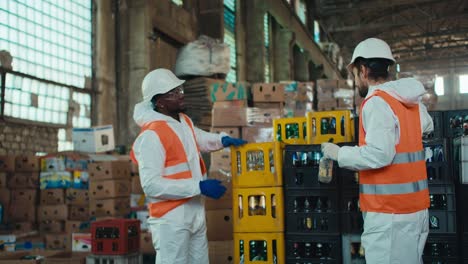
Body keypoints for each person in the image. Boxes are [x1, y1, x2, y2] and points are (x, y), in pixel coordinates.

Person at [321, 38, 434, 264]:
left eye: (354, 75)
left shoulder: (376, 102)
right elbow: (427, 126)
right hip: (415, 209)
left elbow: (379, 155)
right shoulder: (408, 102)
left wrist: (338, 153)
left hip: (390, 215)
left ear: (363, 70)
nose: (356, 80)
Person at [131, 68, 247, 264]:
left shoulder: (183, 121)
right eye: (173, 93)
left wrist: (222, 140)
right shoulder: (151, 136)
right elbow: (151, 185)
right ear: (159, 102)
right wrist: (198, 186)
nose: (181, 96)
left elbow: (198, 138)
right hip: (171, 219)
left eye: (180, 90)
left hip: (194, 211)